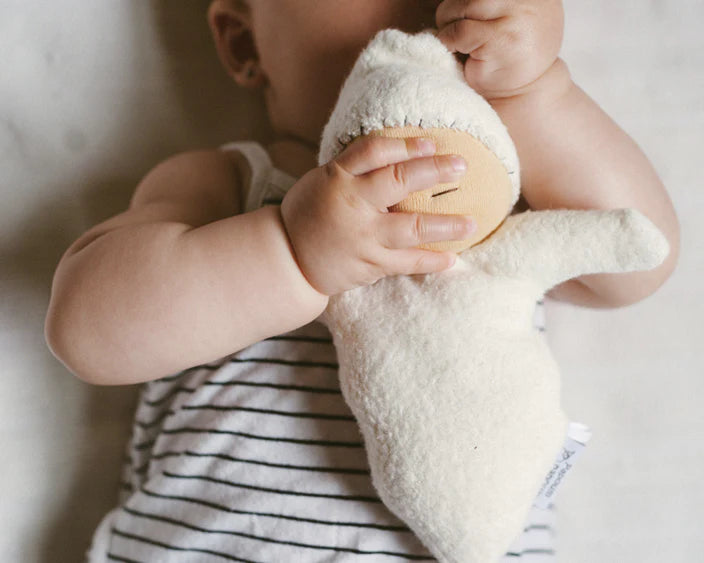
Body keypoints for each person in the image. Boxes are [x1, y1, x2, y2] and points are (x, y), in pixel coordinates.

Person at [45, 0, 680, 560]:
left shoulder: (497, 207)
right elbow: (86, 331)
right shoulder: (235, 186)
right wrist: (291, 253)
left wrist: (536, 89)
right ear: (245, 42)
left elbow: (637, 257)